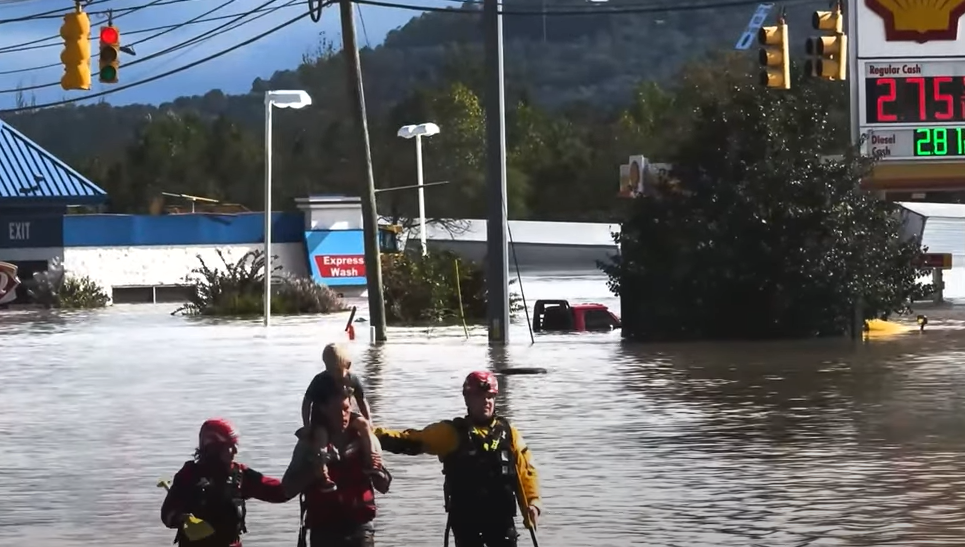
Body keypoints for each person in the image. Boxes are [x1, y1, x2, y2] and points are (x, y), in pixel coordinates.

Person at [374, 371, 542, 547]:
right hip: (467, 523)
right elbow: (409, 440)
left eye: (490, 396)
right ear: (468, 399)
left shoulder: (509, 433)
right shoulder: (450, 433)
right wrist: (371, 436)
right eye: (480, 396)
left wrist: (532, 504)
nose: (486, 401)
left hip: (501, 521)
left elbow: (525, 472)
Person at [160, 418, 313, 547]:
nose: (235, 451)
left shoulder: (239, 474)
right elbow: (167, 515)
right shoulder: (189, 475)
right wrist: (182, 518)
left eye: (235, 445)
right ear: (213, 448)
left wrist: (308, 468)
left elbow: (280, 492)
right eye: (229, 446)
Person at [285, 385, 392, 547]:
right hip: (324, 530)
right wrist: (315, 469)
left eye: (346, 409)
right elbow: (287, 489)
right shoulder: (309, 444)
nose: (343, 415)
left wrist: (375, 470)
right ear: (324, 410)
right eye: (337, 411)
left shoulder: (364, 439)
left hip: (360, 529)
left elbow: (383, 487)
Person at [301, 343, 375, 492]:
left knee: (364, 426)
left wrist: (369, 420)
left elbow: (361, 400)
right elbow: (307, 402)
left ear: (347, 365)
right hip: (323, 418)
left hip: (346, 415)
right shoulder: (320, 380)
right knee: (321, 437)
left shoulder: (352, 379)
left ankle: (372, 462)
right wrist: (307, 425)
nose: (333, 374)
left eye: (336, 370)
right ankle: (323, 474)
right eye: (329, 369)